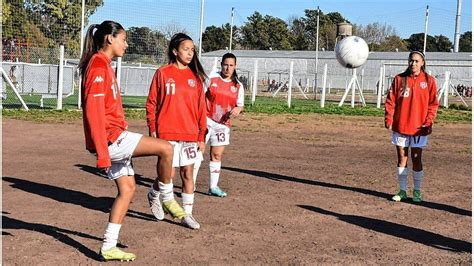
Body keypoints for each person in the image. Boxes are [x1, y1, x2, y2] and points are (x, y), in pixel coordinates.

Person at [79, 21, 181, 262]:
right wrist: (103, 154)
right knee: (167, 148)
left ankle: (108, 246)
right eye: (123, 39)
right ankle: (165, 197)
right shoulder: (98, 66)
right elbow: (93, 112)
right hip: (112, 139)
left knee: (127, 190)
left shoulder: (104, 64)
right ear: (109, 39)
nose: (126, 44)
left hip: (112, 139)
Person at [146, 33, 207, 230]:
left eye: (192, 50)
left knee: (188, 173)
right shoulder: (163, 73)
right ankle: (154, 194)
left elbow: (201, 109)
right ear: (175, 51)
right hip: (166, 133)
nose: (190, 53)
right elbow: (152, 104)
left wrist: (201, 135)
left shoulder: (195, 78)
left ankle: (186, 214)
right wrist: (153, 129)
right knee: (168, 174)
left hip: (190, 134)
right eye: (185, 49)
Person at [384, 51, 439, 203]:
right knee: (402, 158)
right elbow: (391, 101)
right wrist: (388, 118)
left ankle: (417, 191)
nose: (413, 64)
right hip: (401, 125)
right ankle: (402, 191)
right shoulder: (399, 79)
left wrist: (428, 121)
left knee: (416, 158)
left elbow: (433, 104)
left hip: (419, 127)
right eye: (411, 61)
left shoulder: (429, 81)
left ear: (422, 63)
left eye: (416, 61)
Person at [194, 53, 244, 197]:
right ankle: (191, 184)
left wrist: (238, 109)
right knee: (198, 152)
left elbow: (240, 105)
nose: (228, 68)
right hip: (206, 120)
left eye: (231, 65)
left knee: (216, 154)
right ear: (221, 64)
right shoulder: (212, 78)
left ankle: (213, 187)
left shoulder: (238, 86)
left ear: (235, 66)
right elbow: (199, 96)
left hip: (222, 124)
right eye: (225, 65)